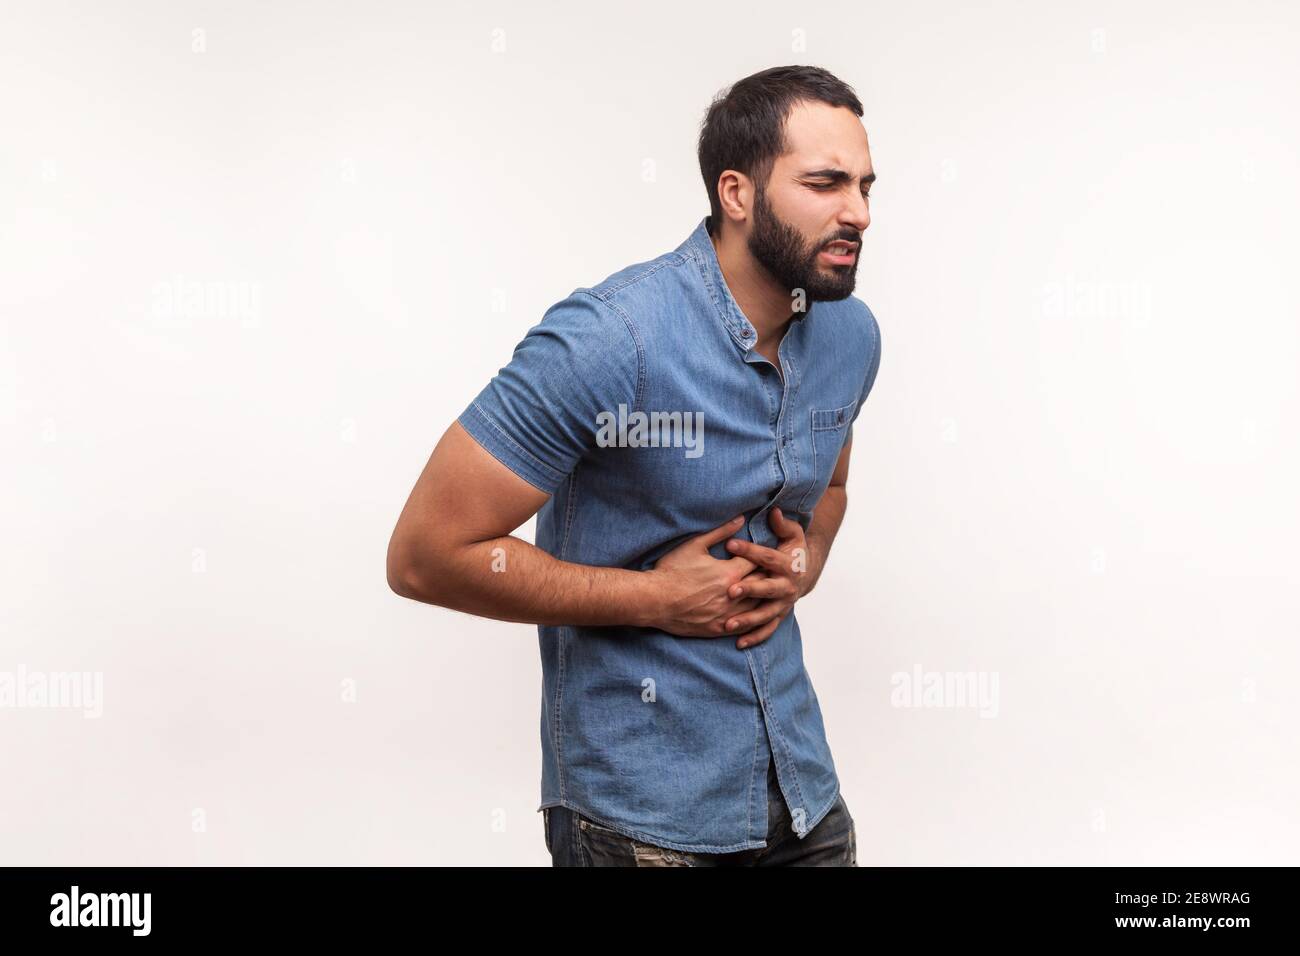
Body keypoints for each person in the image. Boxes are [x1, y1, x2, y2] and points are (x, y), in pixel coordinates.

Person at [387, 64, 881, 866]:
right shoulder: (612, 339)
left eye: (864, 186)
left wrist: (805, 558)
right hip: (639, 822)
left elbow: (830, 486)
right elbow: (423, 556)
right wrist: (655, 598)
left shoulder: (851, 336)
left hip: (803, 802)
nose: (857, 212)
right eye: (825, 184)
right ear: (737, 192)